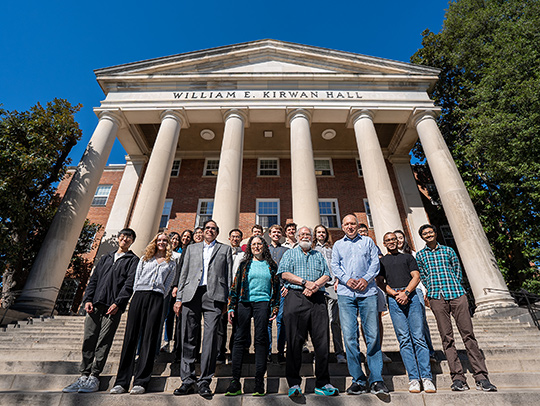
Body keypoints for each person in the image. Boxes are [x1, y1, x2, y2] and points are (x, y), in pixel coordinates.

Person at [416, 224, 497, 392]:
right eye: (425, 233)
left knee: (468, 334)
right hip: (437, 297)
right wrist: (431, 290)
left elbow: (457, 270)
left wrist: (457, 288)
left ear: (435, 233)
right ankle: (458, 377)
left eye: (430, 232)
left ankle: (481, 376)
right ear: (422, 237)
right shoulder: (420, 255)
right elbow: (423, 275)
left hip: (456, 293)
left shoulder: (448, 251)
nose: (428, 235)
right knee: (447, 337)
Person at [63, 228, 139, 394]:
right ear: (119, 238)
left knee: (104, 340)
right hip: (95, 304)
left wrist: (119, 303)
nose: (125, 239)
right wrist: (87, 299)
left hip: (113, 307)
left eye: (129, 237)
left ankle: (94, 376)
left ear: (132, 241)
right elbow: (94, 280)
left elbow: (129, 284)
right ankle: (83, 375)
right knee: (89, 338)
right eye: (123, 236)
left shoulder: (133, 260)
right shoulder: (106, 258)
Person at [110, 232, 176, 395]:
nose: (161, 242)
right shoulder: (144, 259)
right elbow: (136, 280)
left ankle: (141, 381)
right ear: (154, 242)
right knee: (130, 338)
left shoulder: (171, 263)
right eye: (159, 240)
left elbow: (167, 286)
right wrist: (139, 294)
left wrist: (158, 294)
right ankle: (121, 382)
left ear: (168, 244)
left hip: (157, 298)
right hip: (139, 296)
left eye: (165, 241)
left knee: (150, 338)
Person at [173, 220, 233, 398]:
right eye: (207, 228)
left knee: (210, 338)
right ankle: (187, 380)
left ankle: (205, 380)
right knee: (188, 337)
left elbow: (228, 276)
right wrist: (179, 298)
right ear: (203, 231)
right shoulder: (191, 248)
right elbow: (183, 274)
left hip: (214, 296)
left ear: (217, 232)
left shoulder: (225, 249)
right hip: (191, 295)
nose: (210, 231)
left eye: (213, 229)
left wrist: (227, 301)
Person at [278, 226, 339, 397]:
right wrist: (305, 283)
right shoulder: (289, 253)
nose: (305, 236)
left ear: (311, 238)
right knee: (294, 342)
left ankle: (322, 383)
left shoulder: (318, 255)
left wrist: (314, 286)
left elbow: (327, 275)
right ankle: (294, 384)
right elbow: (284, 273)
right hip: (296, 297)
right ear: (297, 237)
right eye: (302, 234)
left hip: (318, 299)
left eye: (308, 234)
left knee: (322, 342)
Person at [332, 215, 389, 396]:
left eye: (353, 224)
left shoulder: (368, 242)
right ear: (342, 227)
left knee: (372, 336)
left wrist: (366, 279)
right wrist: (347, 280)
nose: (350, 226)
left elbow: (375, 263)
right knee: (349, 337)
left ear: (357, 225)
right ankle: (357, 379)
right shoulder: (338, 245)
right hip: (346, 293)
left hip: (368, 292)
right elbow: (335, 265)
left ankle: (376, 379)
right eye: (347, 224)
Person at [377, 232, 436, 393]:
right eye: (388, 240)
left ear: (398, 241)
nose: (391, 242)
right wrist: (394, 294)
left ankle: (427, 377)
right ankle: (414, 379)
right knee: (404, 339)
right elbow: (380, 281)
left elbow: (416, 276)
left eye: (393, 240)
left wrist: (406, 293)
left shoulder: (408, 258)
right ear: (384, 243)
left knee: (418, 337)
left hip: (412, 297)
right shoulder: (382, 262)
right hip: (394, 299)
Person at [225, 236, 280, 396]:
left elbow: (276, 288)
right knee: (239, 339)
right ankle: (235, 382)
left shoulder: (271, 265)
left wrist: (275, 307)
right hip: (244, 302)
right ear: (250, 247)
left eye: (259, 244)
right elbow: (235, 286)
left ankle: (259, 382)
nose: (256, 246)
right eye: (254, 244)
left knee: (261, 339)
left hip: (263, 302)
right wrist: (231, 306)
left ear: (264, 246)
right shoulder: (244, 264)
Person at [394, 229, 436, 360]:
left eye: (401, 237)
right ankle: (414, 352)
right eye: (396, 238)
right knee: (405, 325)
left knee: (421, 322)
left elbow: (420, 275)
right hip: (400, 293)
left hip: (416, 291)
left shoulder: (413, 254)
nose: (399, 240)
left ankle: (429, 351)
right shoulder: (391, 256)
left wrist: (424, 291)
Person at [313, 224, 346, 364]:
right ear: (315, 234)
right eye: (318, 232)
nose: (321, 234)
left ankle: (340, 353)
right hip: (318, 288)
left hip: (332, 287)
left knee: (335, 322)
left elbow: (338, 266)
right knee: (319, 324)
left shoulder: (332, 249)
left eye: (323, 232)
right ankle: (320, 354)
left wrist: (338, 280)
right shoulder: (312, 250)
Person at [358, 224, 390, 363]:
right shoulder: (353, 246)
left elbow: (379, 263)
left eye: (365, 231)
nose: (363, 234)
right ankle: (370, 351)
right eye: (360, 232)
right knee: (364, 320)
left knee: (378, 319)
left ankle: (379, 350)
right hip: (360, 289)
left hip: (376, 287)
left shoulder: (373, 246)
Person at [216, 228, 245, 364]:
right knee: (221, 325)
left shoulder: (244, 255)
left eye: (238, 237)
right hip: (223, 291)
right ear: (229, 238)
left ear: (241, 239)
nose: (235, 239)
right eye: (233, 236)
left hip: (238, 293)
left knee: (237, 325)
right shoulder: (222, 253)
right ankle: (219, 353)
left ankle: (235, 353)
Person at [266, 224, 289, 363]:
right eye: (274, 232)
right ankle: (267, 353)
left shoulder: (286, 250)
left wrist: (287, 285)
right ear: (270, 234)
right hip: (267, 289)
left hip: (281, 289)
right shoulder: (265, 249)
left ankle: (281, 352)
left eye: (278, 232)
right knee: (267, 321)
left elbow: (290, 269)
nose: (276, 234)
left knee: (281, 320)